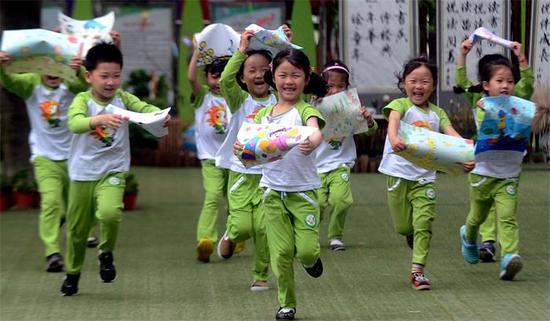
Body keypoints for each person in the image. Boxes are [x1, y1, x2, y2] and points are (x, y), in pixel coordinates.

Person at [60, 42, 169, 296]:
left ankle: (105, 252)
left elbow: (145, 109)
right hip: (82, 173)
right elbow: (74, 124)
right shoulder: (82, 100)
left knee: (109, 213)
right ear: (89, 76)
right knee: (77, 231)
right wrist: (97, 120)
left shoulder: (123, 99)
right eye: (104, 76)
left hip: (113, 170)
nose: (111, 82)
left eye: (116, 76)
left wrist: (159, 116)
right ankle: (72, 273)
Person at [235, 48, 325, 321]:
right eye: (283, 75)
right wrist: (242, 149)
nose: (288, 81)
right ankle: (287, 304)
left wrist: (313, 139)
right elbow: (248, 145)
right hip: (272, 192)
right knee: (282, 252)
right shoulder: (265, 115)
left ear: (306, 79)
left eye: (295, 75)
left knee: (306, 250)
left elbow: (315, 129)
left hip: (304, 193)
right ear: (272, 76)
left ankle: (311, 261)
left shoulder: (305, 109)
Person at [378, 56, 474, 291]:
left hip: (425, 177)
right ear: (404, 84)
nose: (419, 86)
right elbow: (393, 120)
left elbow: (451, 134)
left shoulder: (437, 113)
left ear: (433, 86)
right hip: (398, 174)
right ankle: (410, 234)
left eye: (425, 81)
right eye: (413, 81)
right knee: (403, 227)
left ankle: (418, 271)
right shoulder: (401, 106)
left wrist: (467, 154)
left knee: (424, 223)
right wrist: (393, 138)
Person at [0, 50, 87, 273]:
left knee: (74, 210)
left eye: (58, 66)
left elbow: (85, 86)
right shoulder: (31, 85)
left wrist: (79, 70)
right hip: (44, 157)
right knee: (50, 202)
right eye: (46, 66)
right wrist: (3, 65)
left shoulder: (71, 83)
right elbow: (8, 80)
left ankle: (67, 230)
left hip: (73, 157)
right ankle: (52, 252)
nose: (52, 72)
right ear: (39, 68)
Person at [455, 39, 534, 262]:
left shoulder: (517, 103)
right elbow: (462, 81)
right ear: (486, 85)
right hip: (482, 171)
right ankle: (470, 237)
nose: (505, 85)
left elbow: (527, 85)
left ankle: (509, 256)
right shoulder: (478, 100)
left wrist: (521, 58)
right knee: (476, 217)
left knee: (508, 217)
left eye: (509, 81)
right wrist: (463, 55)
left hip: (509, 173)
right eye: (499, 80)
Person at [215, 29, 278, 291]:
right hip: (241, 173)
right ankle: (231, 235)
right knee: (242, 228)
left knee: (264, 228)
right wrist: (242, 49)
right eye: (251, 70)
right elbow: (225, 79)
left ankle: (260, 275)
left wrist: (284, 43)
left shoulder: (280, 100)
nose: (259, 74)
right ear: (242, 77)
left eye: (264, 68)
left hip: (269, 176)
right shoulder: (239, 100)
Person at [313, 60, 378, 251]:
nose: (334, 91)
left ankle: (335, 236)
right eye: (330, 86)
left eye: (340, 86)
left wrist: (369, 120)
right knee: (317, 203)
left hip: (340, 164)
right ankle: (311, 236)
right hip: (315, 167)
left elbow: (370, 131)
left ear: (347, 87)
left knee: (341, 200)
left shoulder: (352, 108)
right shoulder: (312, 106)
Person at [188, 40, 232, 263]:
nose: (219, 81)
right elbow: (190, 78)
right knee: (213, 196)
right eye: (215, 76)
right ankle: (204, 239)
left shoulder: (237, 95)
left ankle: (234, 237)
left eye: (223, 76)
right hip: (210, 159)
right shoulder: (203, 96)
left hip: (234, 160)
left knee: (235, 202)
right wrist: (197, 51)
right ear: (207, 76)